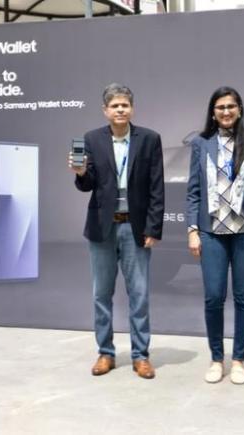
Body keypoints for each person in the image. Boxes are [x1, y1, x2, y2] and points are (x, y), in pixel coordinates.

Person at [68, 83, 164, 379]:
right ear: (105, 110)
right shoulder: (92, 139)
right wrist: (81, 173)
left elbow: (156, 187)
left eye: (125, 105)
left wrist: (153, 228)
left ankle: (141, 355)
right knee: (101, 294)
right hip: (102, 228)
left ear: (131, 108)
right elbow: (88, 185)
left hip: (136, 228)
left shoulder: (149, 139)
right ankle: (105, 353)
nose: (120, 109)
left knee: (139, 294)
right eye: (115, 105)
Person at [185, 86, 244, 384]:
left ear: (239, 110)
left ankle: (238, 360)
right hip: (211, 232)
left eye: (231, 106)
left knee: (243, 297)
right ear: (213, 112)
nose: (226, 111)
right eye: (220, 107)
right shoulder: (201, 143)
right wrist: (192, 230)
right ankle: (216, 359)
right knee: (213, 297)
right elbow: (193, 191)